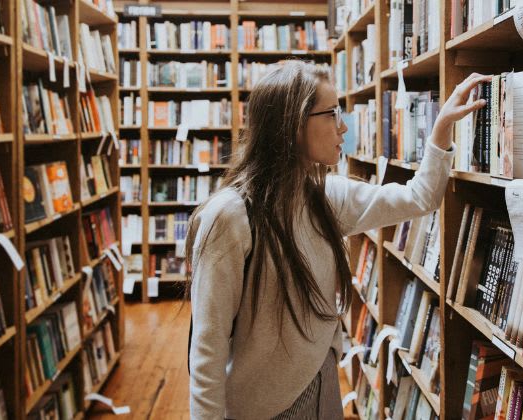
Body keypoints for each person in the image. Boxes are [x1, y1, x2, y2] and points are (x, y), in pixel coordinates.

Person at [185, 60, 489, 419]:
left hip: (323, 381)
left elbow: (420, 197)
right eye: (332, 114)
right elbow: (208, 345)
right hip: (264, 407)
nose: (343, 126)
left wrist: (441, 129)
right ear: (293, 125)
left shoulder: (327, 197)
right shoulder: (229, 216)